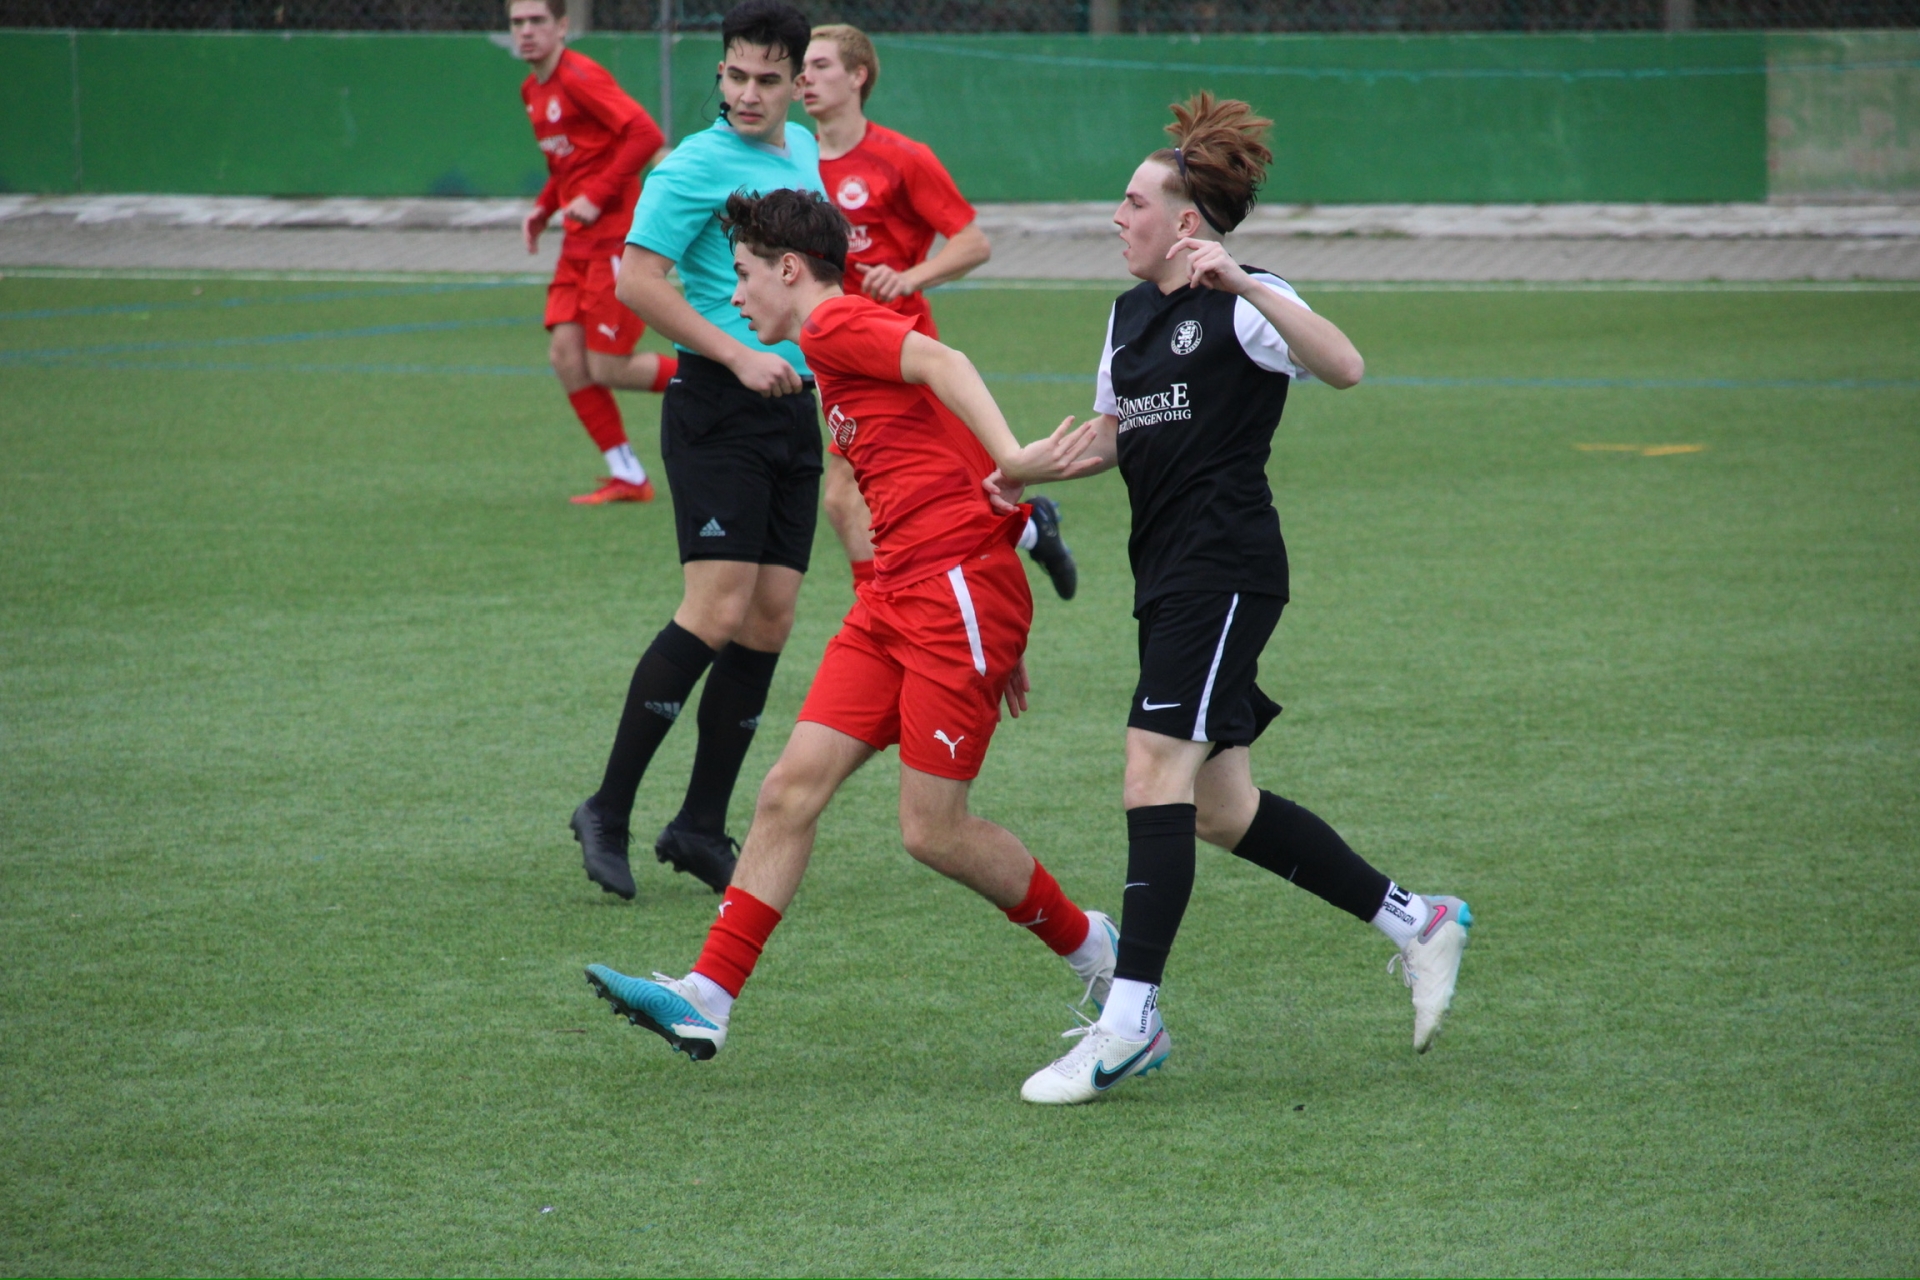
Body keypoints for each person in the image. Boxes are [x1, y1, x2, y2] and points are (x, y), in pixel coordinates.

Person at [1004, 94, 1474, 1105]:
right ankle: (1418, 921)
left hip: (1225, 571)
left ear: (1184, 221)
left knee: (1151, 768)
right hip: (1165, 576)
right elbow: (1111, 437)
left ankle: (1130, 1021)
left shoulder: (1244, 300)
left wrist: (1250, 283)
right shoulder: (1127, 316)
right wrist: (1014, 471)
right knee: (1221, 809)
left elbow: (1344, 366)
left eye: (1133, 203)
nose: (1116, 217)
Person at [583, 189, 1114, 1062]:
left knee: (931, 831)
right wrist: (996, 573)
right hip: (898, 599)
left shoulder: (833, 325)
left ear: (790, 269)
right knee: (788, 790)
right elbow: (933, 443)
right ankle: (706, 997)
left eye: (743, 275)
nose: (735, 294)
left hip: (949, 595)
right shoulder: (824, 355)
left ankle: (1096, 951)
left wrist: (1014, 464)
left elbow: (944, 362)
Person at [566, 0, 824, 900]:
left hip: (795, 410)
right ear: (719, 73)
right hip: (718, 405)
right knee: (714, 609)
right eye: (736, 76)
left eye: (767, 80)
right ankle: (606, 808)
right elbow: (636, 280)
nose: (748, 94)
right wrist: (737, 355)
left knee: (770, 619)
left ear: (797, 83)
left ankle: (699, 826)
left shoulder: (803, 153)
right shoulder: (691, 166)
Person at [799, 24, 1080, 601]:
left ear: (858, 76)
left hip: (903, 351)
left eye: (821, 65)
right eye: (802, 67)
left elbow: (973, 242)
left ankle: (882, 607)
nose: (806, 77)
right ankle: (1029, 528)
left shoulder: (902, 157)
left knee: (870, 490)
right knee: (876, 491)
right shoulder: (795, 160)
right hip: (836, 354)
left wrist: (910, 277)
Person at [511, 0, 672, 505]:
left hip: (614, 240)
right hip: (577, 245)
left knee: (608, 368)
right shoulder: (532, 90)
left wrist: (597, 196)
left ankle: (729, 376)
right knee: (566, 355)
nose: (526, 31)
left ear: (562, 26)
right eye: (517, 22)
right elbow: (567, 165)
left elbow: (645, 135)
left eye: (537, 21)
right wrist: (543, 209)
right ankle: (628, 475)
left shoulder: (580, 77)